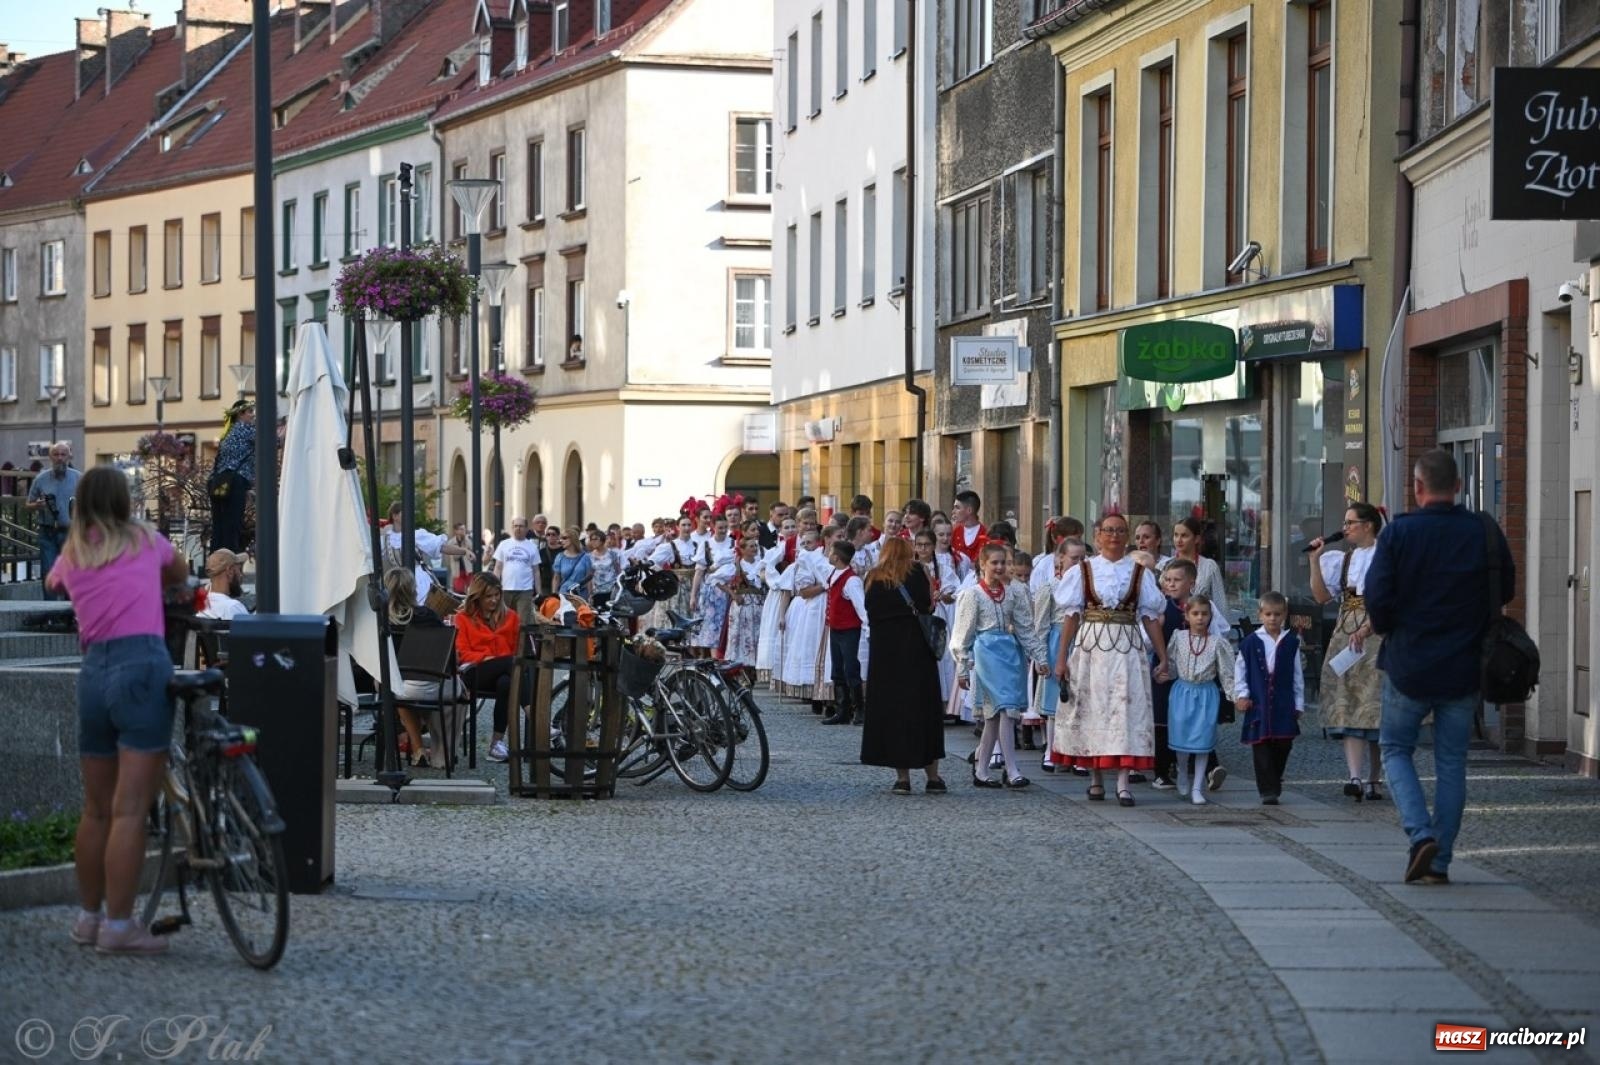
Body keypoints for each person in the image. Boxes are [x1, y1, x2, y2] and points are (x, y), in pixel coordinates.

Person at [46, 466, 189, 954]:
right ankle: (120, 926)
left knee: (96, 809)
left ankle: (88, 919)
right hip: (141, 666)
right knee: (130, 810)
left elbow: (53, 584)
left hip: (93, 673)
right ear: (125, 501)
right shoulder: (145, 541)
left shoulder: (74, 552)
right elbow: (182, 572)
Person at [1365, 448, 1514, 885]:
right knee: (1452, 762)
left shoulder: (1399, 534)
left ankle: (1420, 835)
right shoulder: (1484, 530)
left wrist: (1391, 626)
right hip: (1464, 665)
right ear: (1460, 486)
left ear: (1416, 487)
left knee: (1394, 749)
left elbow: (1377, 596)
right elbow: (1504, 587)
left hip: (1409, 664)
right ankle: (1440, 860)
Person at [1052, 512, 1170, 807]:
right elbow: (1071, 616)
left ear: (1127, 535)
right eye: (1108, 530)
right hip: (1091, 646)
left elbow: (1151, 617)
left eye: (1120, 531)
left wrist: (1164, 657)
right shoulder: (1083, 570)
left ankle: (1123, 782)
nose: (1114, 536)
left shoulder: (1139, 572)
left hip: (1127, 648)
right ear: (1098, 535)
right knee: (1093, 708)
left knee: (1125, 710)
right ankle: (1095, 778)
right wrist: (1061, 658)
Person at [1308, 501, 1388, 802]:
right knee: (1348, 704)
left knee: (1374, 707)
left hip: (1376, 633)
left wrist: (1369, 626)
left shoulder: (1384, 556)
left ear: (1368, 525)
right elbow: (1320, 596)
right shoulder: (1341, 560)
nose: (1345, 529)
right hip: (1346, 632)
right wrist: (1315, 560)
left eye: (1350, 522)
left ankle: (1374, 778)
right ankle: (1354, 776)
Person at [953, 542, 1047, 788]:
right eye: (994, 562)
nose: (999, 567)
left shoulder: (1013, 593)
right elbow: (962, 634)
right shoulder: (973, 595)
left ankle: (982, 769)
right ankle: (1013, 768)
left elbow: (1026, 627)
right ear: (983, 565)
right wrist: (963, 666)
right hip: (987, 655)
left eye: (1003, 562)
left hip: (1009, 653)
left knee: (995, 717)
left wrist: (1040, 655)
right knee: (1004, 710)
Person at [861, 538, 946, 794]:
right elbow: (930, 604)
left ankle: (903, 779)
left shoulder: (873, 577)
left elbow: (869, 611)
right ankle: (933, 777)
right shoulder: (920, 571)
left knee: (895, 714)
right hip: (918, 653)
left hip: (886, 657)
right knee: (925, 711)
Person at [1233, 591, 1305, 805]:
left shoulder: (1291, 642)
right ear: (1260, 614)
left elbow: (1297, 675)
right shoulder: (1250, 642)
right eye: (1268, 614)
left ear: (1284, 615)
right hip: (1259, 702)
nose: (1273, 618)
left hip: (1283, 702)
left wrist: (1299, 702)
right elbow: (1241, 670)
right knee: (1261, 745)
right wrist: (1242, 694)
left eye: (1277, 614)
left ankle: (1276, 776)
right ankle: (1267, 790)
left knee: (1283, 743)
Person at [1167, 595, 1235, 805]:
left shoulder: (1217, 643)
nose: (1200, 618)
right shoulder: (1178, 637)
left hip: (1206, 694)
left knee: (1203, 741)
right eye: (1195, 614)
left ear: (1210, 616)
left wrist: (1235, 695)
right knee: (1181, 740)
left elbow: (1226, 672)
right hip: (1182, 692)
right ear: (1187, 616)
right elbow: (1169, 663)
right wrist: (1163, 673)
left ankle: (1197, 786)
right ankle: (1181, 769)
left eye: (1204, 614)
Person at [455, 572, 523, 763]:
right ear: (477, 596)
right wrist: (488, 658)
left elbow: (518, 649)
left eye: (497, 595)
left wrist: (500, 661)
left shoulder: (511, 617)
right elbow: (462, 654)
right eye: (488, 596)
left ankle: (496, 745)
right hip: (474, 672)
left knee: (507, 683)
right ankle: (536, 717)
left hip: (504, 672)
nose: (494, 600)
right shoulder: (463, 618)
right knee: (512, 663)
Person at [383, 566, 448, 769]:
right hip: (434, 683)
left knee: (391, 684)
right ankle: (419, 745)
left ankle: (415, 746)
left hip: (399, 685)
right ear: (413, 589)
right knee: (402, 685)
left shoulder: (383, 621)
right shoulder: (428, 615)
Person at [1034, 536, 1086, 772]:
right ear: (1061, 559)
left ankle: (1077, 752)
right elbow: (1040, 625)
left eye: (1082, 558)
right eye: (1074, 558)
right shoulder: (1050, 588)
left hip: (1083, 642)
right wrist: (1041, 656)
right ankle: (1051, 750)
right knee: (1057, 699)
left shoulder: (1089, 586)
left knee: (1080, 700)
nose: (1078, 563)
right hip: (1058, 641)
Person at [777, 526, 832, 711]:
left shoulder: (826, 558)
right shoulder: (805, 561)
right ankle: (814, 695)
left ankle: (828, 695)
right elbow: (802, 590)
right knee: (810, 648)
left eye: (810, 542)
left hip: (826, 606)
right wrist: (823, 586)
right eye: (804, 543)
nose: (807, 546)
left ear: (819, 543)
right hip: (809, 608)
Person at [384, 502, 470, 606]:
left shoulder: (416, 535)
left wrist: (464, 551)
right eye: (405, 513)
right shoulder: (386, 538)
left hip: (418, 580)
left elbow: (442, 547)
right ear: (395, 516)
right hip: (399, 582)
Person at [821, 540, 868, 724]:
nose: (828, 554)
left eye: (831, 551)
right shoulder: (834, 573)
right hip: (836, 629)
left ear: (837, 557)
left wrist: (867, 628)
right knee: (837, 670)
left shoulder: (851, 580)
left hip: (850, 631)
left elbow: (861, 607)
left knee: (851, 670)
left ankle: (859, 710)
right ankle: (843, 710)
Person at [27, 442, 81, 600]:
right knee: (48, 572)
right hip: (48, 533)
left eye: (63, 454)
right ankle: (49, 614)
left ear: (69, 456)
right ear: (50, 457)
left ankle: (69, 613)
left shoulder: (79, 478)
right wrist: (36, 505)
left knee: (71, 573)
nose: (60, 458)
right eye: (56, 454)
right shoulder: (41, 479)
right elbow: (28, 504)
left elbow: (89, 503)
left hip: (71, 533)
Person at [912, 529, 958, 707]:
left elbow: (955, 593)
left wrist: (943, 595)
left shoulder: (944, 568)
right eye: (919, 545)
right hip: (916, 618)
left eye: (927, 545)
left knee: (942, 656)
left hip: (937, 616)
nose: (923, 549)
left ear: (933, 546)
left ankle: (943, 702)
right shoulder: (910, 568)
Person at [208, 399, 255, 553]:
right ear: (240, 414)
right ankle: (230, 561)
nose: (252, 415)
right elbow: (273, 442)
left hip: (218, 483)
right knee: (233, 525)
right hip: (235, 483)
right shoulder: (245, 430)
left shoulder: (228, 433)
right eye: (249, 412)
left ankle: (216, 561)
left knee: (219, 526)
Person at [688, 515, 737, 656]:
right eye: (720, 528)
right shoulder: (706, 545)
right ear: (713, 527)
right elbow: (699, 572)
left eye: (725, 527)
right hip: (711, 592)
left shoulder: (733, 543)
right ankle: (711, 659)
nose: (722, 530)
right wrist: (693, 596)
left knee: (726, 626)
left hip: (728, 589)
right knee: (710, 628)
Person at [1171, 516, 1230, 623]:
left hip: (1203, 627)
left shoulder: (1209, 566)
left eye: (1184, 535)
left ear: (1197, 539)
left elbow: (1220, 604)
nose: (1179, 540)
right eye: (1176, 535)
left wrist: (1222, 634)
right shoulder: (1165, 565)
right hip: (1171, 625)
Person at [723, 534, 767, 668]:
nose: (754, 548)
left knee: (758, 634)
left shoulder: (762, 563)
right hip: (743, 605)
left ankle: (757, 666)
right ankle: (741, 665)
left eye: (755, 546)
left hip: (760, 604)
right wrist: (733, 595)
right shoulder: (736, 564)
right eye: (751, 546)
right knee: (742, 634)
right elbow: (716, 580)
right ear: (742, 549)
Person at [492, 517, 541, 621]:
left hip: (525, 590)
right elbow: (498, 568)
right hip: (505, 589)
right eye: (515, 526)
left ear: (526, 529)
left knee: (523, 622)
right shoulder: (503, 544)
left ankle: (521, 638)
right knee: (504, 620)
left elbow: (536, 571)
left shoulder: (532, 546)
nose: (518, 528)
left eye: (521, 526)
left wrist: (539, 592)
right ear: (512, 528)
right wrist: (494, 586)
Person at [198, 549, 251, 620]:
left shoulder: (200, 607)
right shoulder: (233, 607)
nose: (241, 575)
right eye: (239, 569)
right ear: (229, 571)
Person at [552, 524, 593, 599]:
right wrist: (554, 594)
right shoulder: (560, 557)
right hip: (564, 594)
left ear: (573, 539)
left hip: (581, 596)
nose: (561, 541)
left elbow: (589, 579)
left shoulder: (585, 557)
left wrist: (590, 595)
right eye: (561, 538)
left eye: (564, 538)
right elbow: (556, 578)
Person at [586, 528, 625, 606]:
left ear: (602, 540)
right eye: (591, 539)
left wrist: (621, 589)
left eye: (595, 539)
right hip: (597, 591)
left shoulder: (612, 554)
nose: (592, 542)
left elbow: (618, 572)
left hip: (612, 590)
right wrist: (590, 594)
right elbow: (589, 576)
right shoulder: (589, 556)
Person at [949, 490, 987, 567]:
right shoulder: (954, 532)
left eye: (957, 508)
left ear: (969, 510)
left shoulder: (985, 533)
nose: (953, 511)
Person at [446, 522, 474, 594]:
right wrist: (464, 550)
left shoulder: (468, 540)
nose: (463, 531)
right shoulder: (451, 543)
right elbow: (455, 556)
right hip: (457, 571)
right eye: (461, 529)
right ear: (456, 531)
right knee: (459, 591)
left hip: (468, 570)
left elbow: (471, 550)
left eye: (464, 529)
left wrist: (465, 541)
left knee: (470, 590)